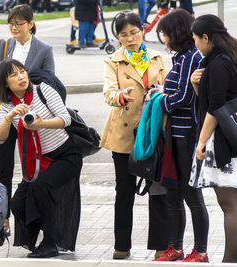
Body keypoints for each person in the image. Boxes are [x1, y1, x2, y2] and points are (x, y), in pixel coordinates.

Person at [0, 59, 82, 258]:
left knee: (40, 187)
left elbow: (65, 118)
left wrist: (42, 124)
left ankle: (50, 242)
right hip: (36, 163)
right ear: (5, 83)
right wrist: (9, 118)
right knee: (17, 204)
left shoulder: (43, 91)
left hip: (65, 155)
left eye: (22, 72)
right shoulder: (7, 107)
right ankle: (53, 232)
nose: (21, 77)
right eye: (14, 75)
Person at [100, 11, 168, 260]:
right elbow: (108, 92)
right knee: (124, 191)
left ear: (143, 31)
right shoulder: (112, 61)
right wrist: (120, 96)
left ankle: (161, 245)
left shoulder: (157, 57)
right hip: (124, 133)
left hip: (153, 132)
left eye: (134, 32)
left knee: (158, 190)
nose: (130, 39)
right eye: (123, 34)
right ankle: (122, 245)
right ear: (118, 37)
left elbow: (167, 88)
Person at [0, 4, 55, 237]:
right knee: (4, 169)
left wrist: (25, 80)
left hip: (31, 115)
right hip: (5, 111)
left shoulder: (44, 49)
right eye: (11, 23)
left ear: (30, 24)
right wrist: (6, 76)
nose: (14, 27)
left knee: (32, 166)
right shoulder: (3, 45)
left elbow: (51, 81)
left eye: (19, 23)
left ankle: (33, 220)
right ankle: (3, 220)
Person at [147, 9, 209, 262]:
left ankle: (201, 250)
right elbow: (177, 91)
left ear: (175, 33)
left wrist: (157, 101)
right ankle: (175, 247)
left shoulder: (191, 57)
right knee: (172, 192)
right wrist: (161, 92)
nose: (163, 39)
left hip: (186, 135)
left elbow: (184, 97)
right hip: (173, 135)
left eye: (164, 33)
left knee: (191, 194)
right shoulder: (182, 56)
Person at [189, 14, 237, 263]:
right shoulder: (228, 55)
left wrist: (201, 142)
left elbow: (215, 108)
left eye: (196, 39)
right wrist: (197, 84)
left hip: (224, 141)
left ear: (206, 37)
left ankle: (230, 261)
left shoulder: (218, 63)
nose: (195, 44)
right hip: (231, 137)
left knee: (229, 204)